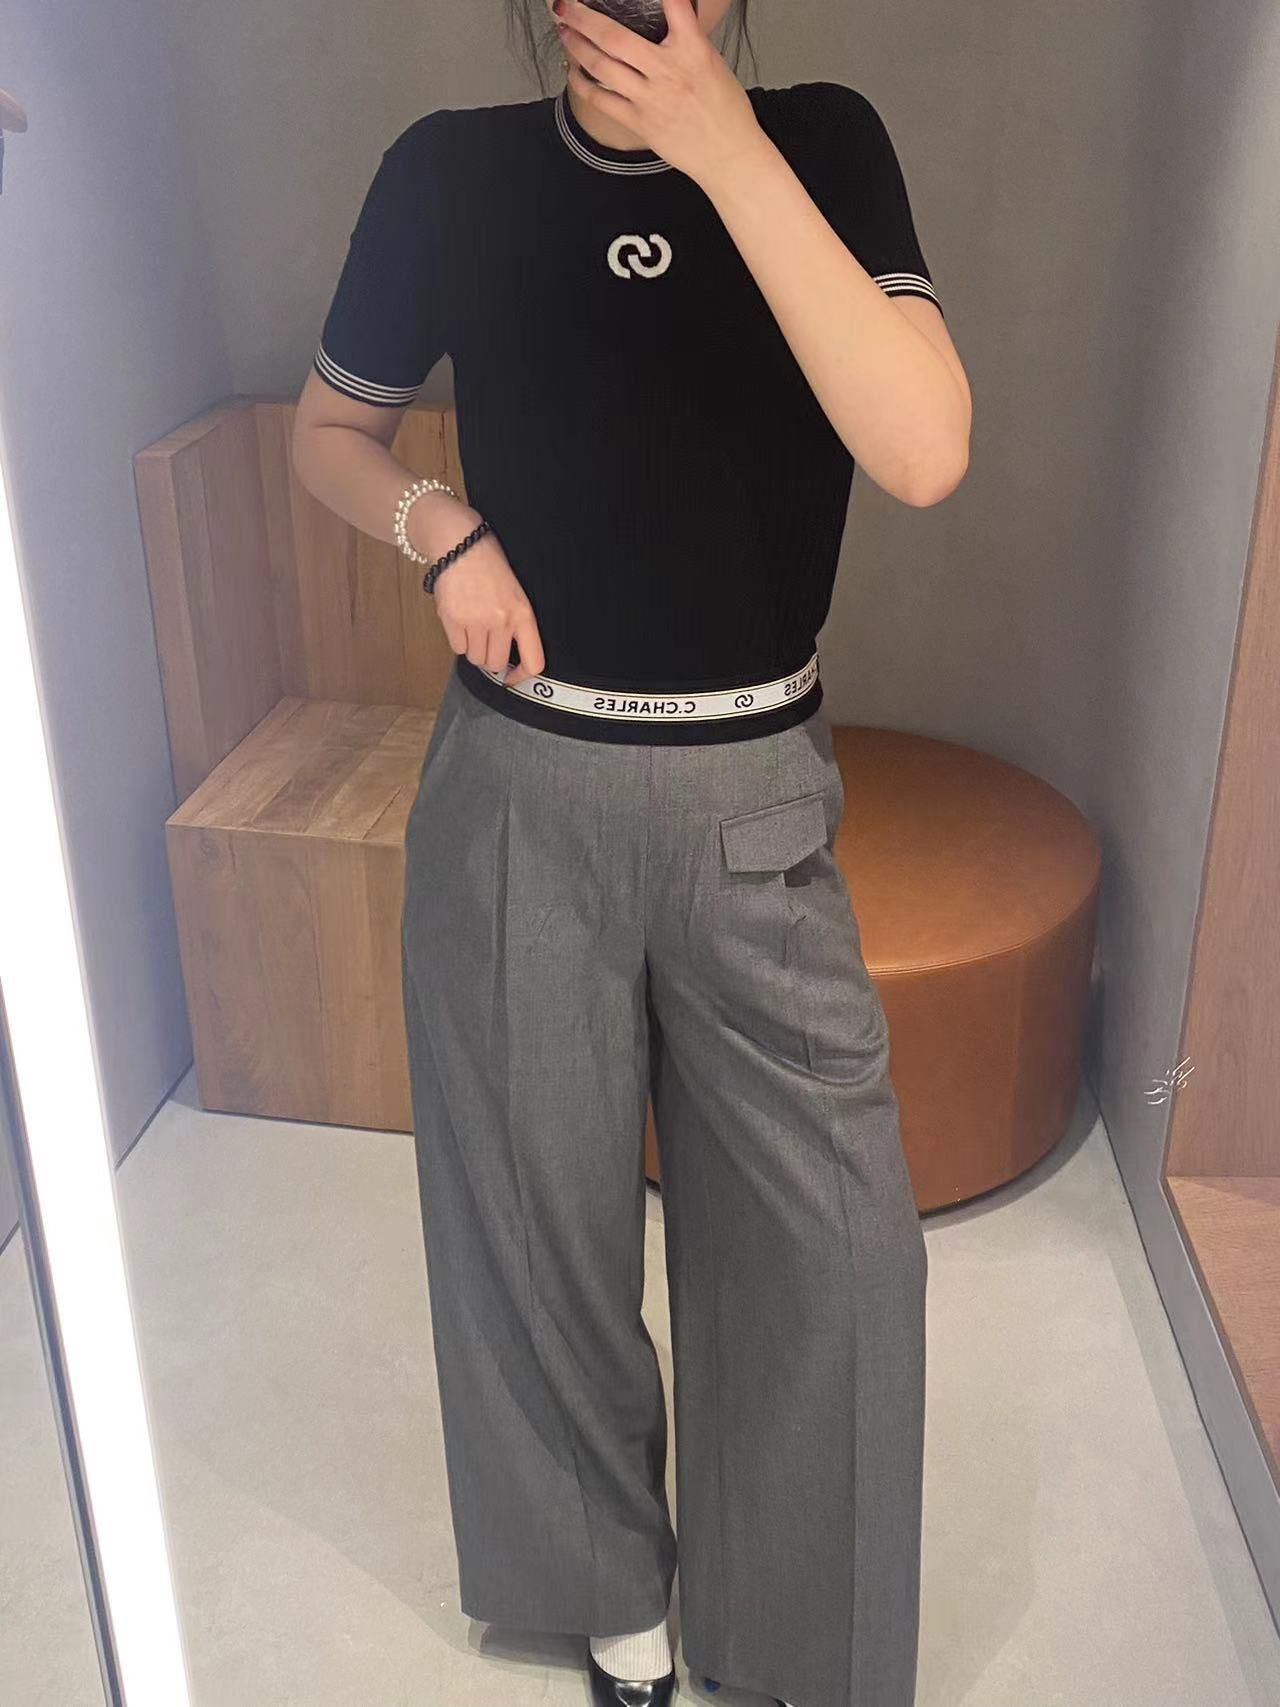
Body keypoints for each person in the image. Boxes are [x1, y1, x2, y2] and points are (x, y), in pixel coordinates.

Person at [291, 2, 971, 1703]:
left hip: (756, 789)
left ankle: (796, 1628)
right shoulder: (450, 174)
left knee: (836, 1253)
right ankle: (607, 1593)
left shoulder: (823, 145)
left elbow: (924, 449)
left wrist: (717, 141)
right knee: (538, 1238)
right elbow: (328, 434)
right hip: (521, 791)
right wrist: (440, 530)